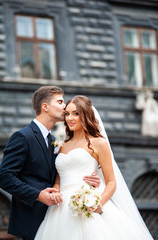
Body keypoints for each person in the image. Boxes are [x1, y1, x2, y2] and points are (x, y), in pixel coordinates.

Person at [34, 95, 154, 240]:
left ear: (86, 116)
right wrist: (55, 191)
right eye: (67, 114)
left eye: (75, 114)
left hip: (89, 204)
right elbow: (58, 179)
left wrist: (99, 203)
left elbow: (111, 182)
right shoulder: (62, 145)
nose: (70, 118)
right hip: (60, 208)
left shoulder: (99, 143)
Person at [0, 87, 100, 240]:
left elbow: (62, 174)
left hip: (59, 218)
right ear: (45, 107)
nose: (65, 106)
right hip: (32, 220)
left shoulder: (55, 142)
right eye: (60, 102)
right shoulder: (22, 137)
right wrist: (38, 195)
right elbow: (4, 177)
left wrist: (88, 181)